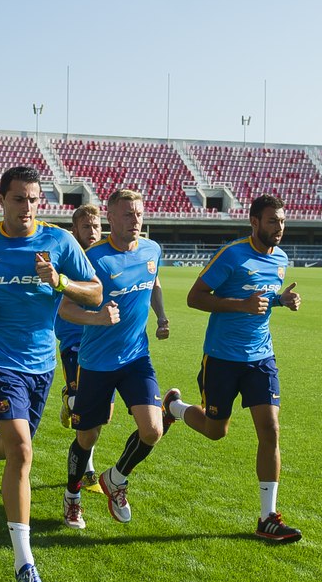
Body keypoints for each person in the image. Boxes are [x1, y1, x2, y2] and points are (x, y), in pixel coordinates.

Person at [0, 165, 101, 582]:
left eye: (34, 200)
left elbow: (94, 292)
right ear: (2, 200)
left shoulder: (59, 241)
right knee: (22, 450)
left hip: (41, 364)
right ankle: (25, 565)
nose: (28, 208)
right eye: (19, 199)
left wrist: (59, 281)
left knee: (11, 445)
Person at [163, 194, 304, 543]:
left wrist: (280, 300)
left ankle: (267, 517)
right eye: (272, 221)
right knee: (216, 431)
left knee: (270, 429)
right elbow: (195, 297)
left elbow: (263, 297)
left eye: (282, 222)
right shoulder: (233, 254)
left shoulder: (281, 259)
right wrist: (240, 305)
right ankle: (173, 408)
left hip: (261, 358)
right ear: (254, 222)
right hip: (222, 357)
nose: (279, 228)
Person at [57, 190, 171, 530]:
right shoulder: (93, 259)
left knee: (153, 430)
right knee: (87, 437)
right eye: (127, 214)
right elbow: (64, 308)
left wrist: (162, 317)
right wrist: (98, 318)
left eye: (138, 213)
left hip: (137, 356)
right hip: (95, 362)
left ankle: (116, 479)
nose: (135, 220)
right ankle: (72, 495)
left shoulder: (152, 250)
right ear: (110, 217)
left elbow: (153, 283)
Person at [54, 204, 103, 492]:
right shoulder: (67, 257)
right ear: (75, 230)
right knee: (83, 406)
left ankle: (68, 397)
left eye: (96, 226)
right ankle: (88, 471)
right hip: (73, 339)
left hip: (100, 341)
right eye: (87, 227)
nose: (93, 232)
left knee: (97, 409)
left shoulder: (105, 256)